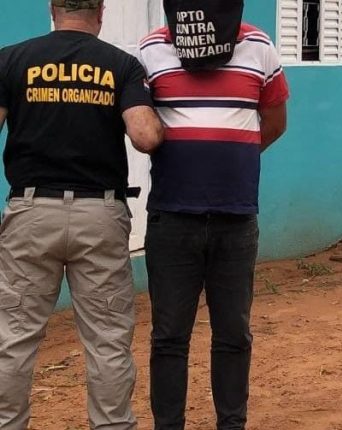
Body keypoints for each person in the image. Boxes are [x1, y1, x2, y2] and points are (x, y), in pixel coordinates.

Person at [0, 1, 163, 429]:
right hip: (100, 214)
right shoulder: (121, 65)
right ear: (101, 12)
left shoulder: (12, 60)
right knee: (107, 339)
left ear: (53, 9)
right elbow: (145, 136)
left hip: (31, 213)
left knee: (13, 338)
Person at [137, 0, 289, 428]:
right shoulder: (151, 50)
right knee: (169, 337)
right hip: (171, 218)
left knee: (233, 335)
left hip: (235, 219)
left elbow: (274, 122)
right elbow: (139, 125)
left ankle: (231, 424)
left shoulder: (259, 46)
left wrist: (229, 158)